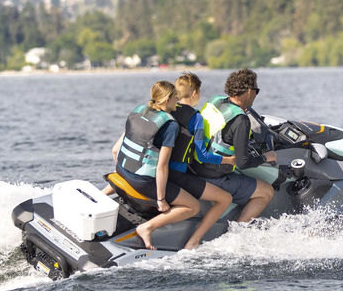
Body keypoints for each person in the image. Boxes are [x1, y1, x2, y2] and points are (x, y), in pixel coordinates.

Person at [108, 81, 202, 250]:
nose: (178, 100)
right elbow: (162, 167)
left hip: (121, 169)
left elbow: (115, 150)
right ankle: (147, 228)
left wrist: (125, 170)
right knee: (193, 206)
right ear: (166, 100)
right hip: (142, 181)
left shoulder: (139, 110)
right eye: (175, 97)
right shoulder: (170, 125)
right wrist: (161, 200)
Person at [189, 68, 277, 225]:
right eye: (256, 91)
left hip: (195, 166)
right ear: (248, 91)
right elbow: (243, 162)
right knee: (266, 191)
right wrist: (265, 157)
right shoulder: (241, 120)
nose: (256, 95)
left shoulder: (216, 101)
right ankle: (238, 231)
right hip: (213, 176)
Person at [169, 72, 235, 249]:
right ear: (194, 93)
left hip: (161, 171)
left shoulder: (166, 109)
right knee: (225, 198)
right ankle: (194, 241)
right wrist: (228, 160)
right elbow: (203, 155)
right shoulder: (195, 117)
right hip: (177, 175)